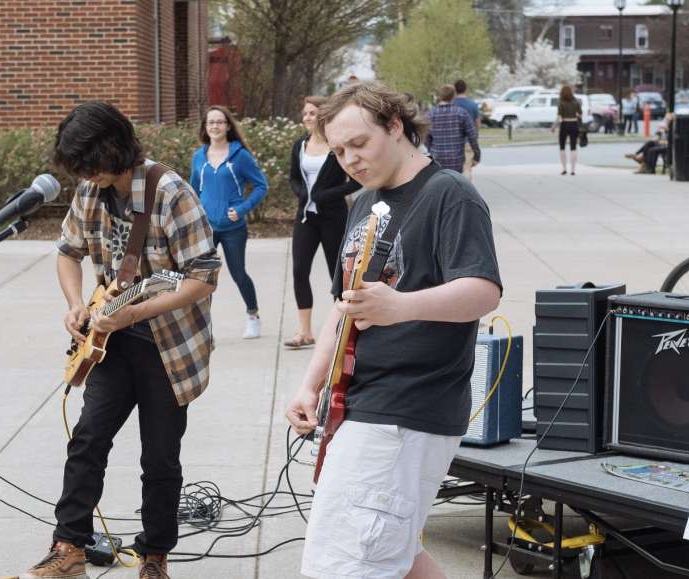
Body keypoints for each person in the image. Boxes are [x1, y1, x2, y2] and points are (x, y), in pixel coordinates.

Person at [285, 80, 502, 579]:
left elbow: (483, 290)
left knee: (345, 563)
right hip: (363, 404)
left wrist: (400, 306)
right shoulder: (364, 203)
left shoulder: (450, 194)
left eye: (359, 143)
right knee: (391, 555)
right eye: (339, 151)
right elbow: (345, 307)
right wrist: (311, 383)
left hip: (409, 409)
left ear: (396, 125)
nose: (350, 159)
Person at [15, 101, 221, 579]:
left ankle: (155, 557)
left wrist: (139, 311)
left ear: (112, 149)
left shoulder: (170, 193)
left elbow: (204, 277)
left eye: (90, 163)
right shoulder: (90, 191)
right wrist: (75, 305)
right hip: (108, 339)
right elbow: (68, 252)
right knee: (87, 439)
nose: (85, 174)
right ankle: (68, 548)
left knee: (160, 457)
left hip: (168, 345)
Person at [285, 95, 361, 349]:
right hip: (306, 217)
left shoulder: (336, 146)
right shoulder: (299, 145)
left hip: (333, 218)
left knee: (336, 273)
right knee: (299, 271)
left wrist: (326, 195)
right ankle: (305, 332)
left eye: (312, 113)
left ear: (323, 116)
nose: (307, 117)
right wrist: (302, 193)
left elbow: (355, 181)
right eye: (305, 113)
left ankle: (344, 329)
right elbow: (294, 178)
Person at [190, 106, 268, 339]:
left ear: (227, 126)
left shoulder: (240, 155)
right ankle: (202, 326)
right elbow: (192, 190)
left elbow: (261, 186)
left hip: (234, 229)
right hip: (207, 230)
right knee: (201, 278)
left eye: (220, 122)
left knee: (238, 273)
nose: (215, 126)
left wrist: (242, 209)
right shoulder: (198, 157)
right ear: (205, 127)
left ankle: (253, 316)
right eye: (210, 122)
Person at [426, 83, 480, 174]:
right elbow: (472, 136)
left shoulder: (430, 114)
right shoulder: (462, 113)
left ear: (440, 96)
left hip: (437, 157)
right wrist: (477, 155)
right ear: (454, 96)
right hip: (456, 159)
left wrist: (430, 150)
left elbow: (426, 137)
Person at [452, 79, 481, 175]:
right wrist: (475, 136)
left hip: (453, 142)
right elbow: (477, 123)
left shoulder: (451, 104)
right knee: (466, 169)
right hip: (468, 142)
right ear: (466, 89)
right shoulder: (473, 105)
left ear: (455, 90)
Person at [552, 84, 582, 175]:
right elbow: (580, 114)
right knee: (573, 147)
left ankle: (564, 168)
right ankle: (573, 170)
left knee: (562, 147)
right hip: (574, 124)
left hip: (564, 124)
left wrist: (554, 126)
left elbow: (559, 116)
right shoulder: (576, 101)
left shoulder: (561, 102)